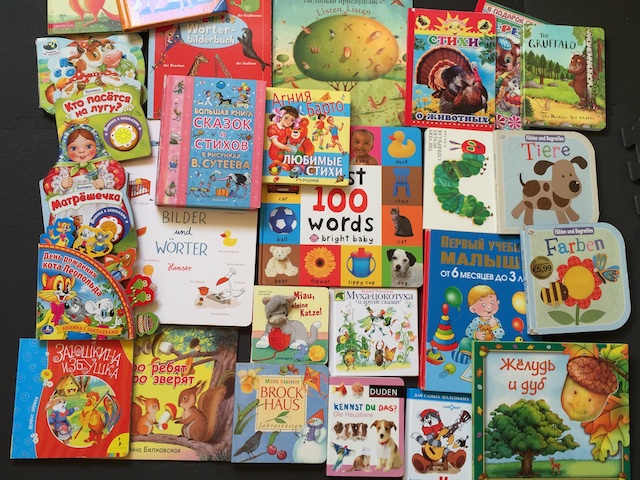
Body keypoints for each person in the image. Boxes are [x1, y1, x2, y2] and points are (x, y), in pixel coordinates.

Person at [267, 105, 300, 170]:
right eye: (286, 118)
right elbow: (275, 143)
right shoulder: (273, 127)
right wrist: (285, 147)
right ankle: (278, 164)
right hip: (275, 152)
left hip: (285, 150)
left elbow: (294, 135)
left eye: (292, 120)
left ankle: (288, 165)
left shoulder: (287, 129)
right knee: (284, 160)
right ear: (280, 117)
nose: (289, 122)